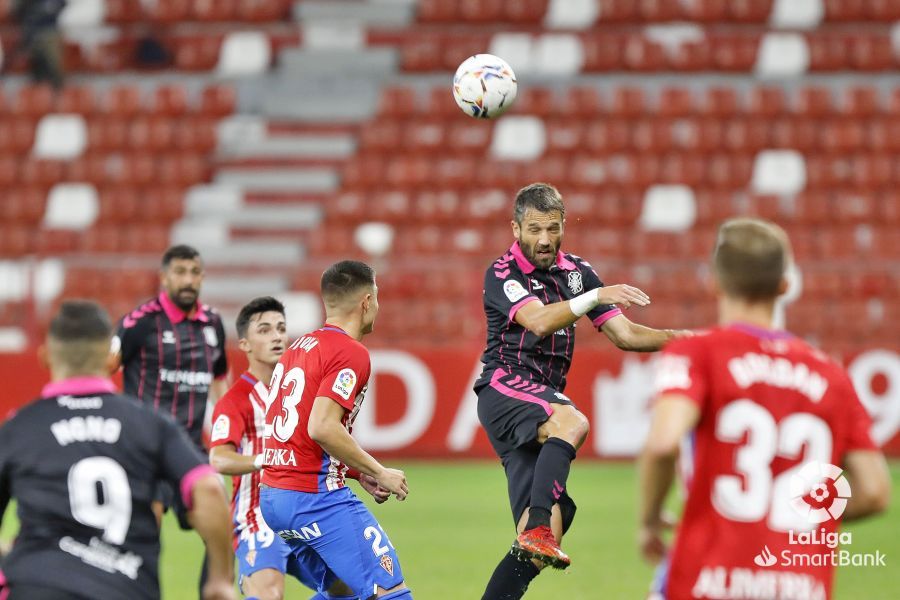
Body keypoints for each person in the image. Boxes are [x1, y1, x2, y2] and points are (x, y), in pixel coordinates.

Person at [639, 218, 891, 600]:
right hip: (799, 585)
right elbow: (874, 492)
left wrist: (650, 520)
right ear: (785, 286)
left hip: (708, 579)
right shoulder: (831, 375)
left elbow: (662, 443)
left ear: (714, 281)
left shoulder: (698, 354)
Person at [476, 182, 687, 599]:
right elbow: (537, 322)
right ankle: (538, 528)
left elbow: (624, 334)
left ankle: (534, 536)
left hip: (540, 400)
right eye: (534, 229)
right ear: (515, 228)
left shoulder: (576, 273)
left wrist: (685, 338)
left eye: (553, 229)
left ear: (563, 225)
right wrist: (594, 296)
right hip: (506, 387)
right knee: (572, 422)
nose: (544, 239)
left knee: (538, 543)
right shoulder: (503, 273)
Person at [0, 300, 236, 600]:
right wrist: (220, 579)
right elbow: (209, 489)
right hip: (126, 588)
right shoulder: (151, 424)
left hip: (38, 588)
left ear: (45, 357)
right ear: (111, 355)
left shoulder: (19, 428)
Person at [210, 297, 386, 600]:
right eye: (264, 330)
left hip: (302, 507)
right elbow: (218, 459)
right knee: (270, 593)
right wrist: (267, 458)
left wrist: (357, 473)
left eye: (280, 328)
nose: (277, 336)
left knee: (347, 591)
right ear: (245, 344)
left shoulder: (298, 386)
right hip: (257, 517)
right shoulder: (236, 400)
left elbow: (314, 441)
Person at [260, 260, 413, 600]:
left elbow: (298, 429)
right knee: (390, 591)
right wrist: (379, 470)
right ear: (366, 302)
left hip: (273, 497)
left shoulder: (296, 349)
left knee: (342, 592)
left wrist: (358, 474)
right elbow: (322, 427)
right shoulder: (350, 352)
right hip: (312, 497)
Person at [112, 244, 229, 526]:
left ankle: (217, 574)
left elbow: (219, 379)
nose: (188, 280)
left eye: (195, 273)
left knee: (222, 522)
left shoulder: (212, 323)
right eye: (180, 272)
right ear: (164, 277)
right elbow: (103, 367)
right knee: (147, 527)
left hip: (190, 447)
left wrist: (228, 429)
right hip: (146, 447)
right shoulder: (140, 322)